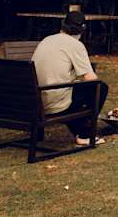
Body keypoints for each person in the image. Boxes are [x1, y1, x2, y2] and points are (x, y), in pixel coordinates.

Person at [31, 10, 109, 146]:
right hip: (54, 102)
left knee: (73, 91)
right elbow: (91, 79)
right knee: (100, 88)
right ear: (83, 29)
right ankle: (85, 134)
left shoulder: (47, 39)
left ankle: (80, 129)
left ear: (63, 24)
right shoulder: (75, 45)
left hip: (34, 100)